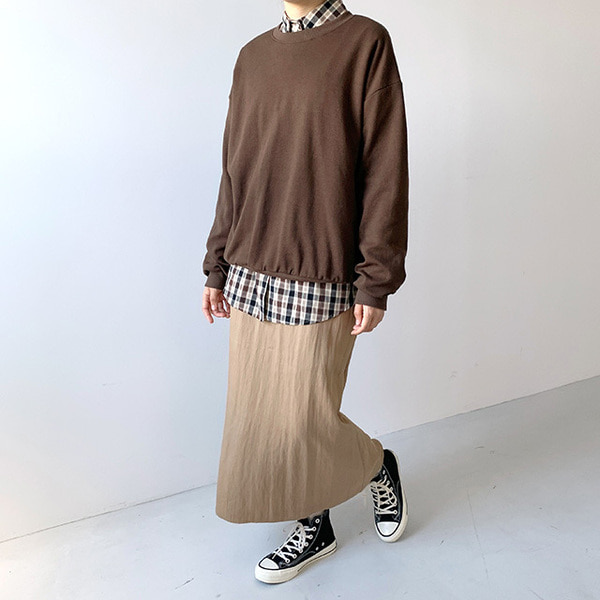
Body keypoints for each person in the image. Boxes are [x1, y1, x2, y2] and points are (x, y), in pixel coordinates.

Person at [202, 0, 409, 584]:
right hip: (250, 266)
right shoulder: (252, 56)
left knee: (303, 420)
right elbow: (233, 168)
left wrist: (376, 276)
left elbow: (385, 167)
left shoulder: (365, 42)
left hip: (321, 266)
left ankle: (376, 464)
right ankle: (315, 522)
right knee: (260, 417)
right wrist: (217, 263)